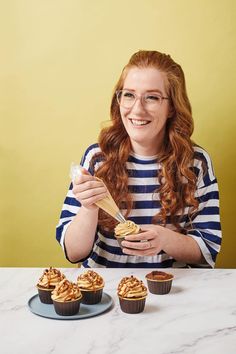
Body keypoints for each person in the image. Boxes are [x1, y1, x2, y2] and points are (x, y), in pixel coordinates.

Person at [56, 50, 222, 268]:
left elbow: (208, 249)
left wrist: (164, 239)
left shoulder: (195, 163)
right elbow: (74, 253)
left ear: (171, 106)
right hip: (106, 292)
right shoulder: (98, 158)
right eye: (129, 95)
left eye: (152, 97)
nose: (137, 109)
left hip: (171, 289)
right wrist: (89, 208)